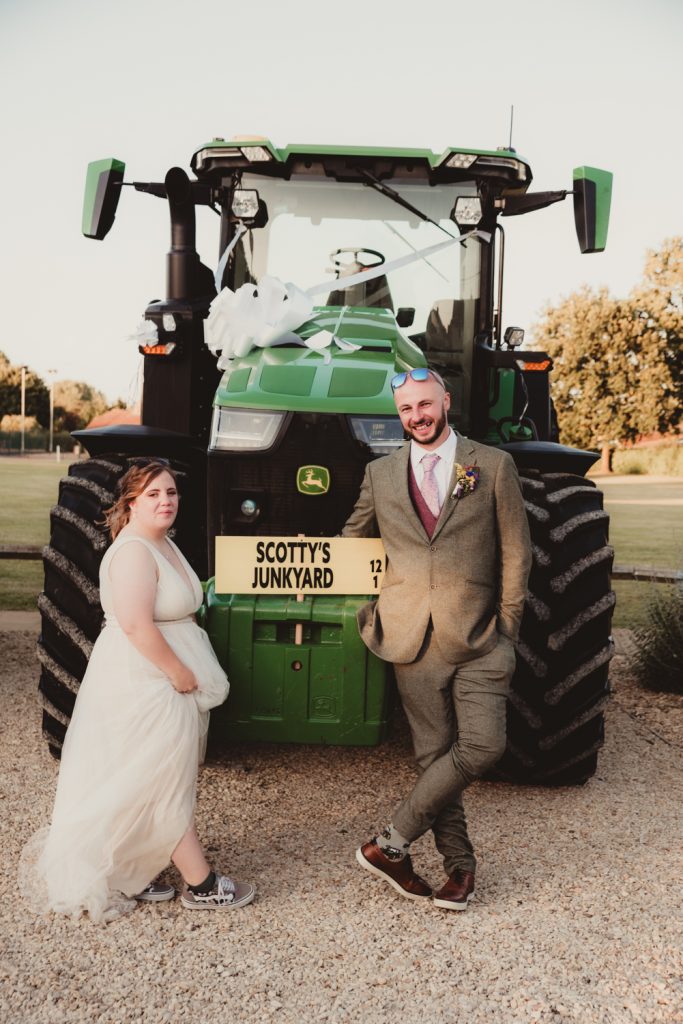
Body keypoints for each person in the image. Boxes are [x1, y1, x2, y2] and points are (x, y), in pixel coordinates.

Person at [20, 460, 254, 923]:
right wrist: (178, 673)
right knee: (162, 777)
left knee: (147, 773)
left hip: (168, 670)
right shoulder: (132, 553)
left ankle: (129, 868)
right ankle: (202, 884)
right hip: (146, 674)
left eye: (170, 492)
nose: (166, 501)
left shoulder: (162, 543)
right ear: (130, 503)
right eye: (153, 495)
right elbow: (134, 625)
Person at [342, 367, 532, 911]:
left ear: (445, 400)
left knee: (483, 746)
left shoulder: (492, 465)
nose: (417, 417)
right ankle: (460, 870)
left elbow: (517, 553)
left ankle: (391, 842)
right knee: (434, 759)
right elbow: (350, 545)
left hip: (480, 637)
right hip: (409, 638)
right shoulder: (380, 474)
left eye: (425, 405)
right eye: (405, 409)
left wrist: (508, 630)